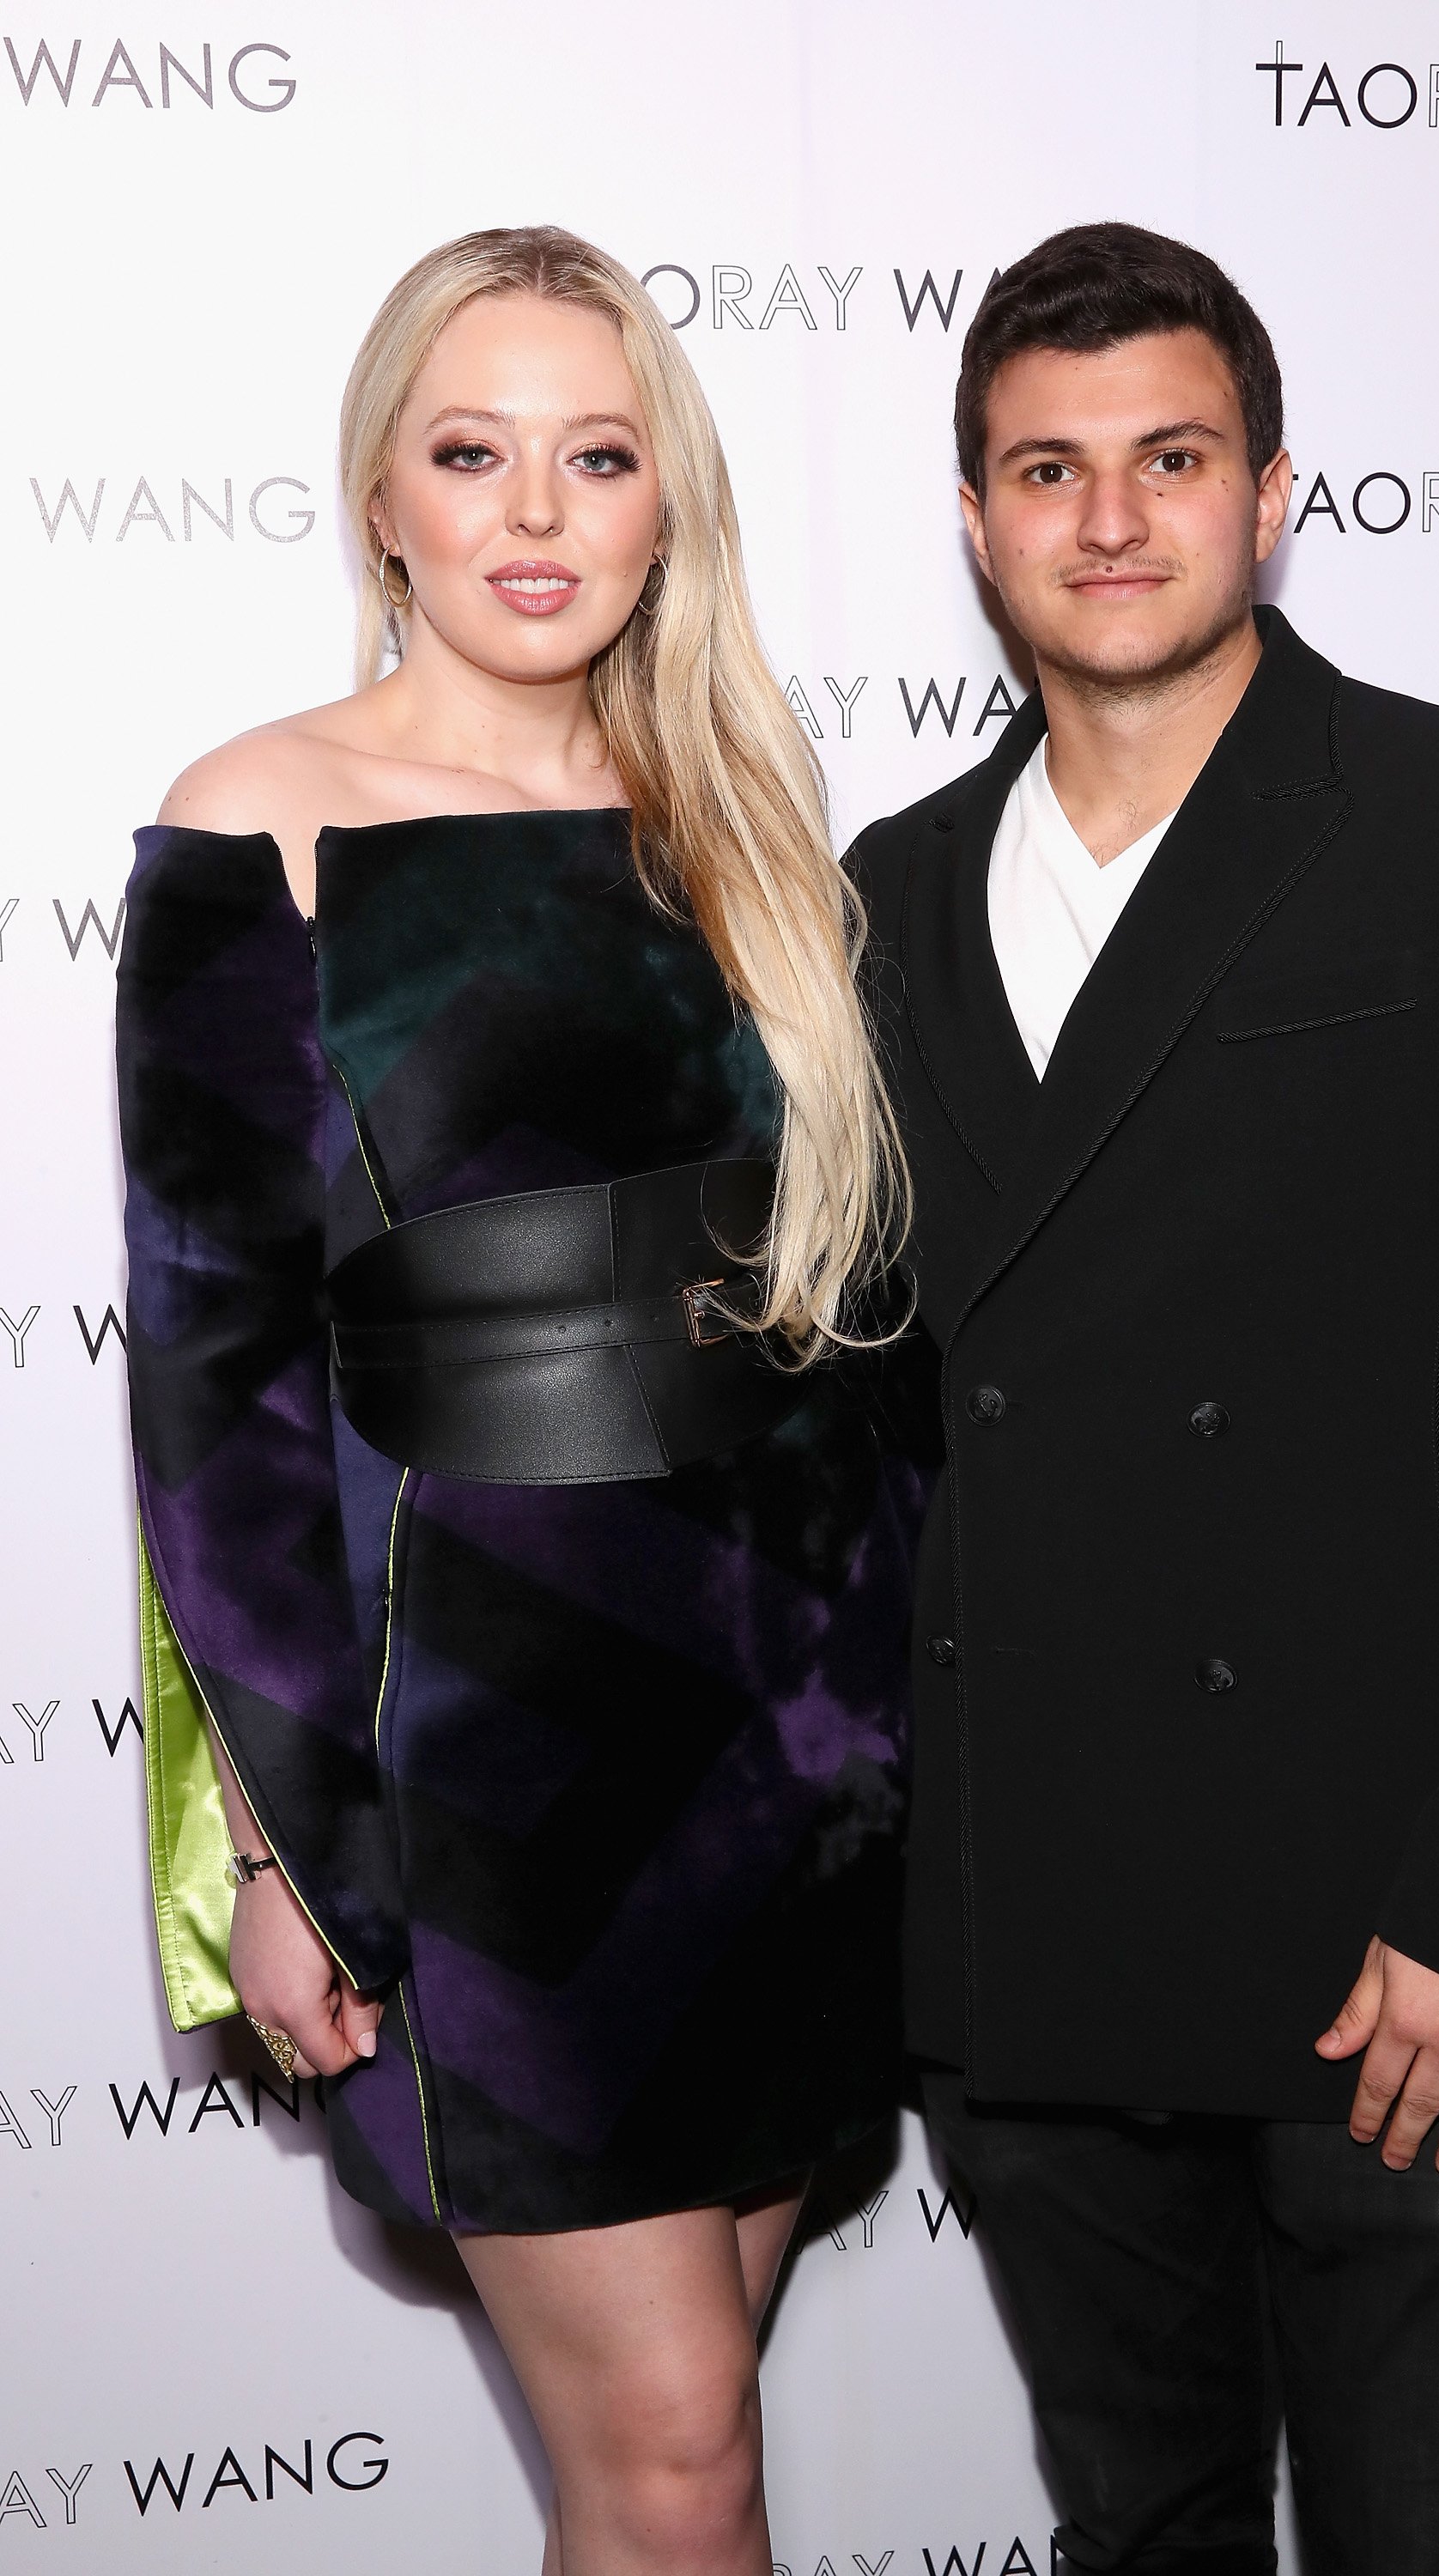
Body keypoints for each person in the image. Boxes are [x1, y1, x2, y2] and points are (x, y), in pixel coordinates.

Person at [851, 222, 1439, 2575]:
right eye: (1049, 467)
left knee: (1433, 2540)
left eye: (1170, 458)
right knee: (1141, 2535)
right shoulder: (882, 900)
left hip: (1393, 1942)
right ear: (977, 519)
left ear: (1272, 489)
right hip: (1031, 1926)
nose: (1110, 519)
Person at [118, 225, 924, 2576]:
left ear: (671, 499)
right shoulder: (261, 816)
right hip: (483, 1756)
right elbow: (215, 1371)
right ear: (384, 495)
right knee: (677, 2464)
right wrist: (272, 1849)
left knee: (659, 2479)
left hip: (802, 1745)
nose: (540, 514)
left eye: (600, 455)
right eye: (477, 455)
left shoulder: (748, 827)